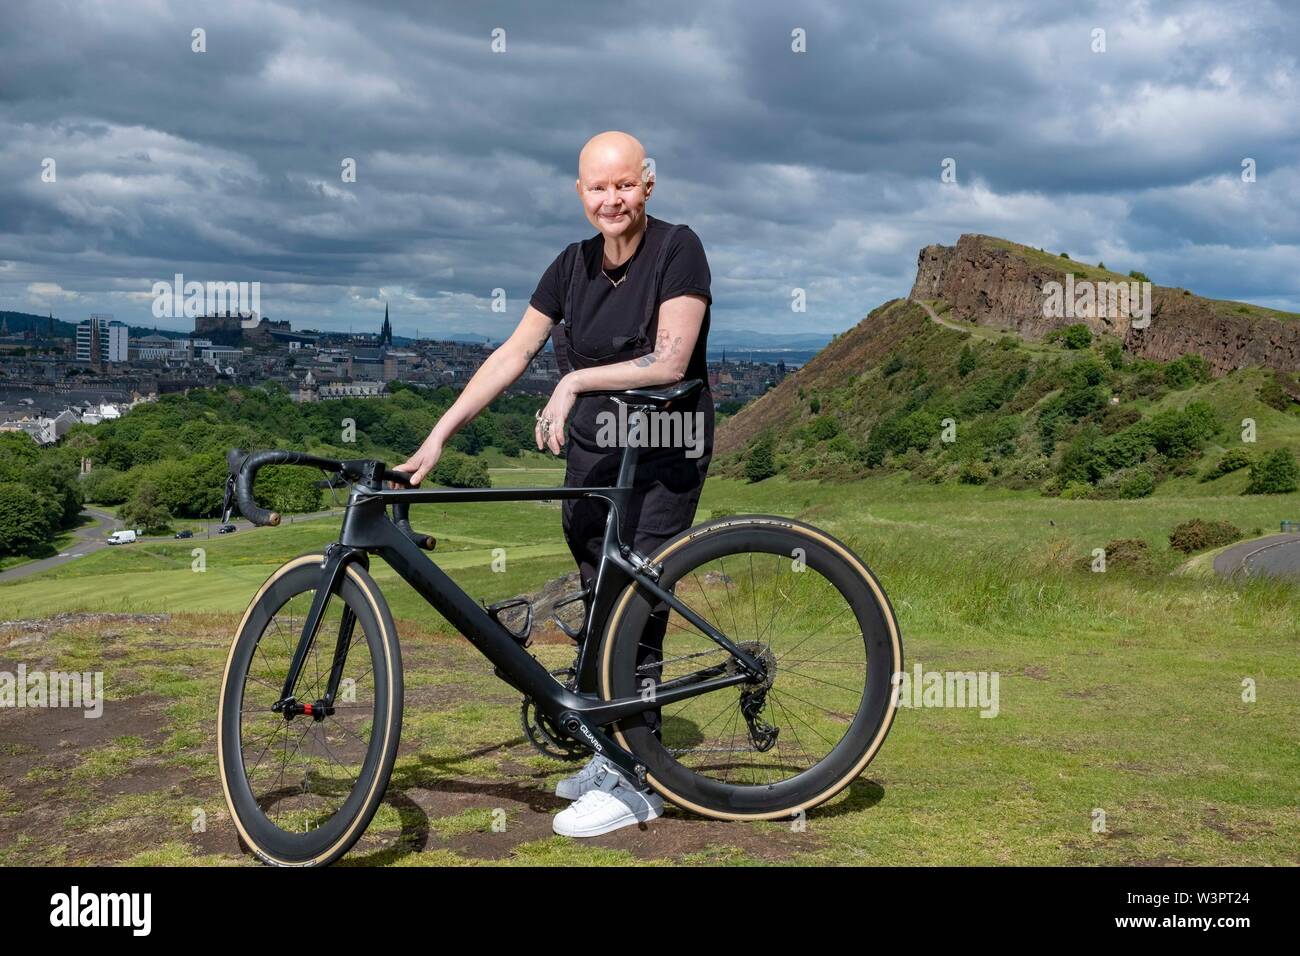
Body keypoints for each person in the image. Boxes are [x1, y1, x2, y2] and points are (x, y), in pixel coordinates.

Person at [394, 130, 715, 837]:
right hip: (595, 457)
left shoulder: (678, 248)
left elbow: (669, 361)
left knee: (637, 605)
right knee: (602, 603)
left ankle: (639, 781)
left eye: (624, 185)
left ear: (648, 185)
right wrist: (438, 436)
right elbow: (512, 352)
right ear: (580, 193)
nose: (612, 200)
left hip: (664, 447)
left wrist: (572, 379)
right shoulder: (569, 267)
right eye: (597, 188)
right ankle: (612, 744)